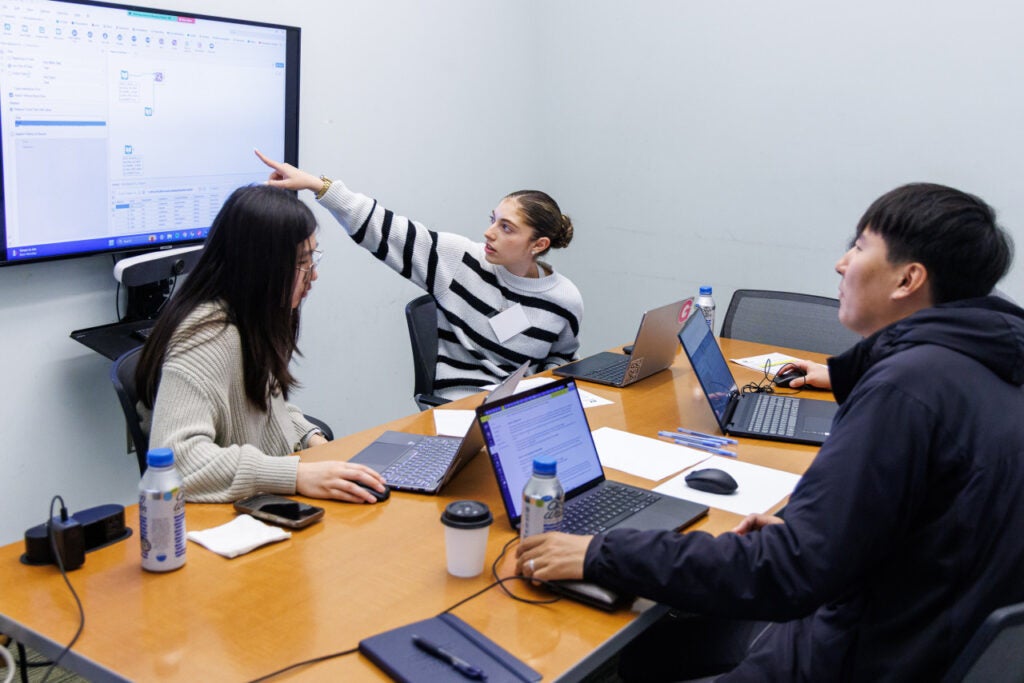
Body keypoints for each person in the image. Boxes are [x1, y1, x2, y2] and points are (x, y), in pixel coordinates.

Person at [516, 183, 1024, 681]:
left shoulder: (907, 391)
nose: (842, 264)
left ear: (907, 279)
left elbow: (788, 575)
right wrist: (832, 537)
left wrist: (600, 552)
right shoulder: (986, 364)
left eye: (860, 246)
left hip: (857, 652)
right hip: (919, 631)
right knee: (656, 650)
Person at [256, 150, 583, 401]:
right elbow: (385, 228)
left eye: (506, 228)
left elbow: (560, 368)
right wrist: (319, 186)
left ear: (538, 244)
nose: (489, 233)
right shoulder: (459, 261)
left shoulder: (563, 300)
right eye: (493, 219)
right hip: (459, 411)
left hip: (520, 414)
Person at [136, 184, 387, 504]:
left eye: (313, 257)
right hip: (223, 526)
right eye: (302, 262)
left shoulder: (249, 317)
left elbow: (267, 406)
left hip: (258, 506)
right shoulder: (205, 338)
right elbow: (179, 461)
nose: (313, 275)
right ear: (260, 266)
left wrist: (309, 438)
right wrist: (295, 475)